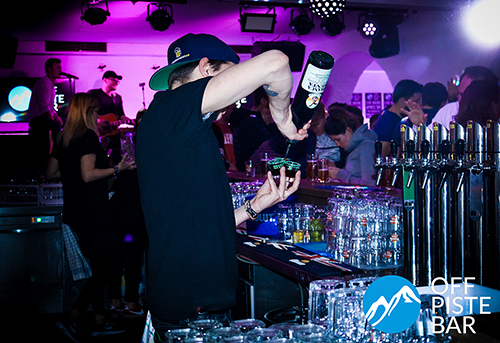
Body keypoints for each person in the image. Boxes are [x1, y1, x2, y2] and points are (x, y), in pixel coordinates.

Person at [135, 33, 308, 339]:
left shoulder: (177, 128)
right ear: (206, 69)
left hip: (192, 302)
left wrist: (254, 206)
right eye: (232, 76)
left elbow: (194, 223)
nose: (236, 99)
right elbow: (277, 62)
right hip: (193, 309)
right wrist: (283, 117)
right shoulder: (174, 108)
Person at [46, 93, 135, 341]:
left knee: (100, 265)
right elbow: (88, 174)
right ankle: (72, 315)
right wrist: (118, 168)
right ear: (87, 112)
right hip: (94, 212)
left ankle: (98, 319)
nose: (98, 116)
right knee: (107, 265)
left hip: (75, 211)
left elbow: (51, 173)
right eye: (95, 112)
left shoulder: (64, 138)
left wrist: (72, 173)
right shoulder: (87, 137)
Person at [107, 109, 148, 319]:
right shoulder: (133, 146)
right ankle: (129, 299)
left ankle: (119, 299)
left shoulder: (136, 145)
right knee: (130, 255)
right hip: (129, 208)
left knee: (124, 255)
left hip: (128, 207)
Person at [405, 66, 498, 130]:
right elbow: (428, 146)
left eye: (469, 96)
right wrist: (419, 127)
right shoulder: (448, 111)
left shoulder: (495, 113)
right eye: (461, 94)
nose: (463, 100)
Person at [27, 57, 64, 174]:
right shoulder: (43, 83)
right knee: (57, 127)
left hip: (44, 117)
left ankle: (59, 152)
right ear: (49, 69)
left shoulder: (51, 85)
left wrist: (56, 117)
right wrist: (53, 123)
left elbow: (50, 107)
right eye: (57, 67)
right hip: (36, 118)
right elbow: (44, 107)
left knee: (65, 122)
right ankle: (57, 154)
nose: (60, 69)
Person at [88, 70, 132, 165]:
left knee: (117, 153)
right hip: (96, 132)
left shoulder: (117, 98)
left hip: (112, 134)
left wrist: (130, 120)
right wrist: (99, 122)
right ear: (105, 80)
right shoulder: (94, 94)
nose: (116, 83)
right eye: (113, 80)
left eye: (118, 81)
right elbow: (88, 112)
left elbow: (121, 115)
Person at [325, 108, 378, 186]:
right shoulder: (356, 146)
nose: (337, 144)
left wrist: (340, 174)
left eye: (338, 139)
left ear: (348, 130)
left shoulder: (366, 146)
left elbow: (369, 184)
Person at [372, 79, 423, 157]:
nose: (420, 104)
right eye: (416, 101)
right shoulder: (388, 121)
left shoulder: (393, 116)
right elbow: (382, 153)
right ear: (402, 101)